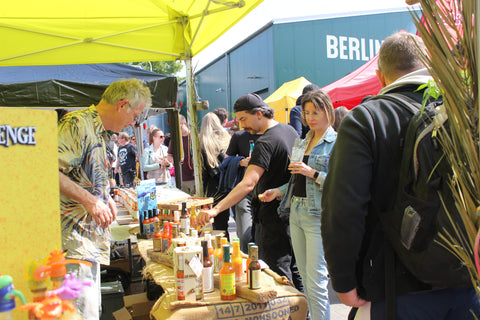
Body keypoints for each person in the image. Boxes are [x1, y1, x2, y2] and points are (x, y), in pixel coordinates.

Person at [321, 32, 480, 319]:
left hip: (394, 289)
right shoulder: (466, 112)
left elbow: (343, 208)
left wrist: (343, 280)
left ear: (381, 76)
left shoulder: (366, 118)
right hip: (467, 281)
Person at [57, 78, 151, 319]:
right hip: (73, 244)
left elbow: (82, 176)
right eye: (135, 116)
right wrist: (90, 200)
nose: (133, 124)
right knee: (80, 313)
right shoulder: (77, 124)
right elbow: (47, 170)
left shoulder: (100, 132)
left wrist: (104, 196)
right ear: (122, 105)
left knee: (89, 311)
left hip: (86, 243)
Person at [197, 93, 302, 288]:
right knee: (295, 271)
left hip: (273, 219)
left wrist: (216, 209)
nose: (241, 125)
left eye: (244, 119)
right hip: (293, 215)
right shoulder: (290, 131)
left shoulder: (265, 142)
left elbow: (248, 184)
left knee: (277, 276)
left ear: (259, 113)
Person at [260, 89, 336, 320]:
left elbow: (339, 183)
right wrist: (278, 191)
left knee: (316, 282)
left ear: (327, 112)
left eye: (316, 112)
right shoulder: (302, 142)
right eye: (307, 112)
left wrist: (311, 172)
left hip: (317, 217)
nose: (311, 117)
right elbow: (295, 181)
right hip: (296, 212)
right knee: (304, 276)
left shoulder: (336, 142)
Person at [224, 129, 261, 252]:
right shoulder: (239, 136)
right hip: (245, 191)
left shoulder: (272, 134)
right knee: (245, 236)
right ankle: (247, 264)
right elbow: (226, 160)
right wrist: (241, 162)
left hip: (267, 191)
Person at [199, 112, 232, 238]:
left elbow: (210, 170)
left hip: (212, 189)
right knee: (223, 225)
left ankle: (219, 252)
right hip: (226, 186)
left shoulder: (204, 143)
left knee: (213, 226)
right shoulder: (226, 139)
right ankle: (225, 250)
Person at [168, 114, 195, 194]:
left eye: (180, 127)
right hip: (182, 178)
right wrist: (176, 160)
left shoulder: (194, 137)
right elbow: (169, 157)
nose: (178, 130)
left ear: (185, 124)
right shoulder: (175, 139)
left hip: (195, 177)